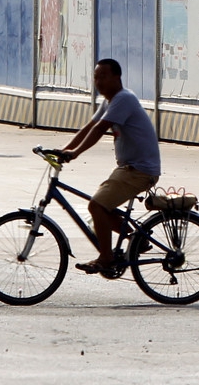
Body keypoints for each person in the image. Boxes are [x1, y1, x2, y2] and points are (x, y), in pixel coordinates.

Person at [58, 59, 161, 275]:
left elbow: (100, 129)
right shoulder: (110, 101)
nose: (98, 82)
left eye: (103, 76)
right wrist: (63, 150)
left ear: (117, 77)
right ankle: (137, 238)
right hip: (129, 169)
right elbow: (90, 126)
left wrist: (75, 153)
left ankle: (106, 258)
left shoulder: (124, 98)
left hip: (139, 171)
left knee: (97, 206)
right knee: (101, 207)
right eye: (96, 77)